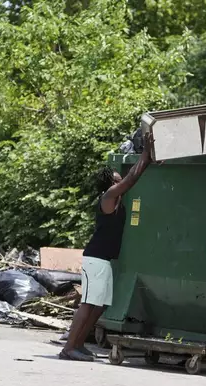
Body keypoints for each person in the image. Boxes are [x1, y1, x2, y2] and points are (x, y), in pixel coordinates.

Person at [59, 133, 154, 361]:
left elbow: (130, 179)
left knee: (100, 305)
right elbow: (131, 179)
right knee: (89, 303)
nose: (119, 176)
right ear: (111, 182)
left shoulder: (116, 198)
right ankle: (68, 348)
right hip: (96, 259)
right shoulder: (109, 196)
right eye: (115, 176)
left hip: (104, 260)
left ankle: (79, 344)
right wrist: (147, 154)